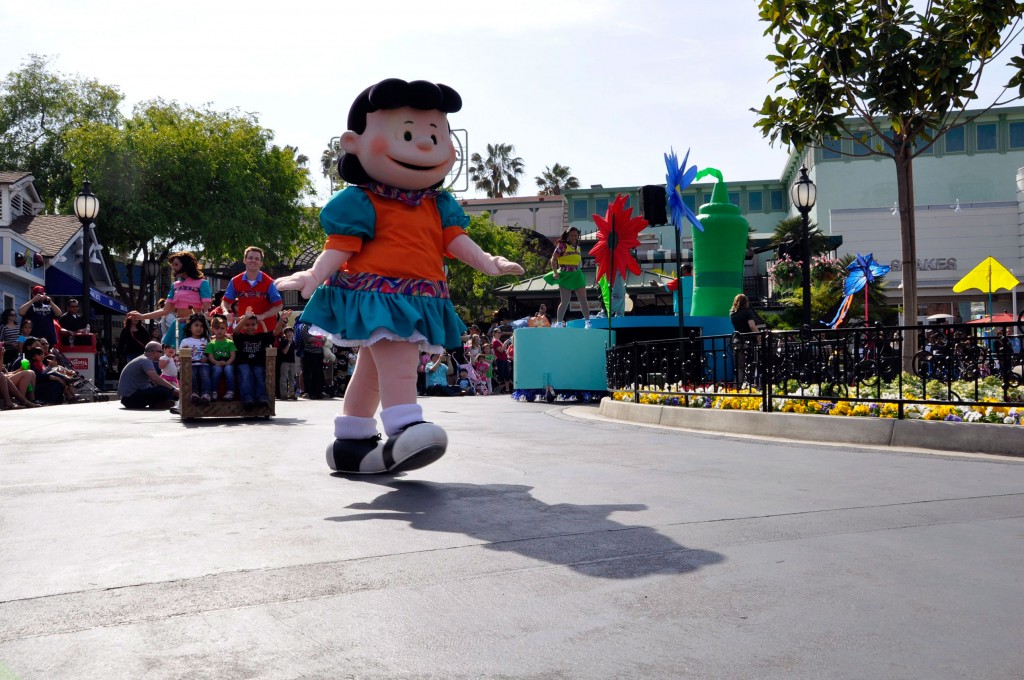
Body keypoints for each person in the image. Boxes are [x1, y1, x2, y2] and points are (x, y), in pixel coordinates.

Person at [276, 78, 523, 475]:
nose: (425, 144)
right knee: (400, 361)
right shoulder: (362, 201)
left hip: (419, 296)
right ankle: (405, 424)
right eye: (408, 133)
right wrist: (313, 274)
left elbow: (456, 241)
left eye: (434, 134)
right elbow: (342, 244)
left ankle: (351, 441)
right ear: (354, 143)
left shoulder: (437, 204)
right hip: (378, 296)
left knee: (371, 372)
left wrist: (489, 262)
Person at [126, 252, 212, 347]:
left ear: (186, 265)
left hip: (195, 329)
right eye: (172, 264)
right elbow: (165, 310)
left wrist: (194, 321)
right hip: (178, 327)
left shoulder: (202, 283)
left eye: (176, 264)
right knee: (174, 358)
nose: (173, 267)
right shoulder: (175, 285)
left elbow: (207, 311)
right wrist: (141, 316)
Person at [232, 307, 287, 410]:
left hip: (258, 363)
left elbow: (275, 332)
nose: (250, 327)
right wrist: (245, 318)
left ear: (257, 326)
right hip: (243, 363)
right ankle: (247, 398)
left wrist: (280, 320)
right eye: (247, 325)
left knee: (259, 374)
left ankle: (262, 397)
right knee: (245, 374)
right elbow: (235, 331)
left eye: (253, 324)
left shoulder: (261, 337)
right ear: (243, 326)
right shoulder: (240, 337)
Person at [220, 246, 283, 334]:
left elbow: (278, 305)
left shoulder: (269, 282)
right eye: (250, 258)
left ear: (261, 263)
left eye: (257, 259)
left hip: (265, 330)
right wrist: (225, 311)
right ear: (244, 260)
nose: (253, 260)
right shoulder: (235, 281)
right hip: (243, 329)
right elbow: (226, 301)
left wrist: (263, 316)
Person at [544, 227, 591, 328]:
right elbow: (553, 259)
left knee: (583, 299)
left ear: (578, 236)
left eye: (575, 235)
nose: (574, 237)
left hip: (577, 274)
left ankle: (588, 322)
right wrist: (555, 272)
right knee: (565, 300)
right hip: (565, 274)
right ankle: (559, 323)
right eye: (571, 235)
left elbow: (578, 262)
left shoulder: (578, 247)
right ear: (567, 236)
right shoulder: (562, 246)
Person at [117, 341, 179, 409]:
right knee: (165, 390)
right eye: (161, 352)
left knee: (165, 388)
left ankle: (161, 404)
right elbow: (156, 378)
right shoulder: (145, 360)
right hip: (129, 398)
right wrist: (173, 389)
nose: (162, 354)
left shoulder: (143, 359)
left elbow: (154, 381)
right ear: (154, 352)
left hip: (127, 398)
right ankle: (171, 404)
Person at [179, 314, 212, 405]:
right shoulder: (185, 341)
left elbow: (210, 354)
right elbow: (180, 355)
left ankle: (206, 394)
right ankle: (194, 393)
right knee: (192, 374)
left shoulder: (206, 340)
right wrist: (184, 351)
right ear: (190, 328)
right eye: (196, 325)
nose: (199, 328)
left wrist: (207, 357)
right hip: (191, 364)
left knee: (204, 373)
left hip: (203, 364)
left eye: (201, 326)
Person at [729, 293, 760, 387]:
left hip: (736, 341)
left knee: (739, 366)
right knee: (752, 363)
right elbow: (752, 326)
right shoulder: (747, 311)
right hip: (748, 340)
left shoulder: (732, 314)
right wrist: (759, 335)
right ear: (745, 301)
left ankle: (737, 386)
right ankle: (752, 385)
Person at [204, 315, 237, 400]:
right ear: (213, 329)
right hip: (216, 362)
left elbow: (233, 355)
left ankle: (231, 391)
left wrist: (227, 363)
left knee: (228, 369)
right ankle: (214, 391)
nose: (219, 331)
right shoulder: (211, 343)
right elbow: (210, 357)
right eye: (217, 328)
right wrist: (216, 362)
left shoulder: (230, 342)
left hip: (228, 361)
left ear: (226, 329)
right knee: (217, 370)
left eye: (222, 328)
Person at [276, 325, 297, 400]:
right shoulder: (283, 341)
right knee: (284, 379)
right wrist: (288, 343)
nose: (290, 334)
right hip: (285, 362)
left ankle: (292, 394)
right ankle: (283, 395)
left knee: (292, 379)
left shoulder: (294, 342)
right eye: (288, 332)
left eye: (291, 332)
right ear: (285, 334)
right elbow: (284, 352)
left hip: (292, 362)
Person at [491, 328, 512, 394]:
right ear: (494, 333)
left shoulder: (498, 341)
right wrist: (506, 342)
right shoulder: (495, 341)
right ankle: (496, 388)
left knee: (507, 374)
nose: (500, 334)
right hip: (500, 360)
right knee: (500, 374)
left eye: (500, 332)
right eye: (498, 332)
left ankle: (507, 389)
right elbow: (501, 350)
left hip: (504, 359)